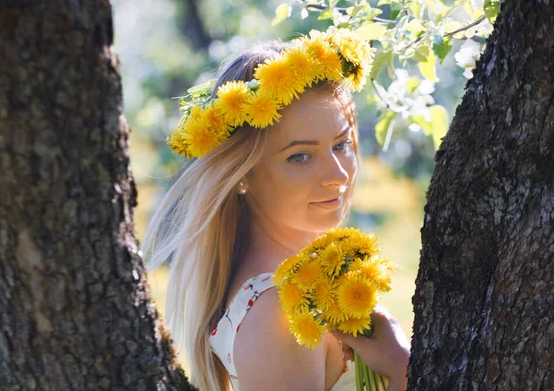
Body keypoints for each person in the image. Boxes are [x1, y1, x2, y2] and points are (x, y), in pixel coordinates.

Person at [141, 29, 410, 391]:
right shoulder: (280, 314)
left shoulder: (297, 286)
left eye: (341, 143)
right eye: (300, 156)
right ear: (242, 175)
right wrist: (404, 371)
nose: (338, 175)